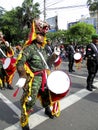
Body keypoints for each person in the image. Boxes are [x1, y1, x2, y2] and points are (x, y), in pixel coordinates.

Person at [15, 19, 61, 130]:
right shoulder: (29, 48)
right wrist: (22, 77)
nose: (43, 36)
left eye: (43, 35)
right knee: (30, 100)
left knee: (46, 96)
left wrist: (55, 55)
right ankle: (24, 120)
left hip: (45, 77)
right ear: (35, 35)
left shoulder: (44, 49)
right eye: (40, 34)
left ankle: (47, 109)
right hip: (34, 79)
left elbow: (47, 64)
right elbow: (20, 63)